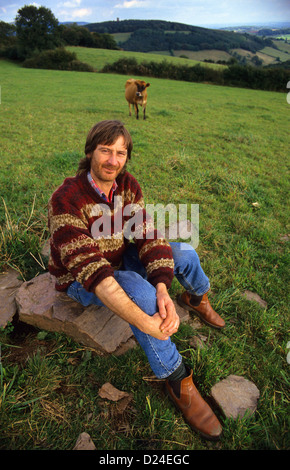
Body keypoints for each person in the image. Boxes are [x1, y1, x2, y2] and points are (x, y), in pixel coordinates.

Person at [48, 120, 225, 441]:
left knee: (183, 252)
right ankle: (176, 378)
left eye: (120, 153)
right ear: (90, 152)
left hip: (117, 254)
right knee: (136, 288)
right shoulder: (66, 199)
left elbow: (146, 235)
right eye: (105, 151)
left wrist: (162, 286)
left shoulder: (127, 185)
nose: (113, 161)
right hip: (81, 280)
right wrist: (147, 322)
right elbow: (95, 275)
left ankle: (197, 298)